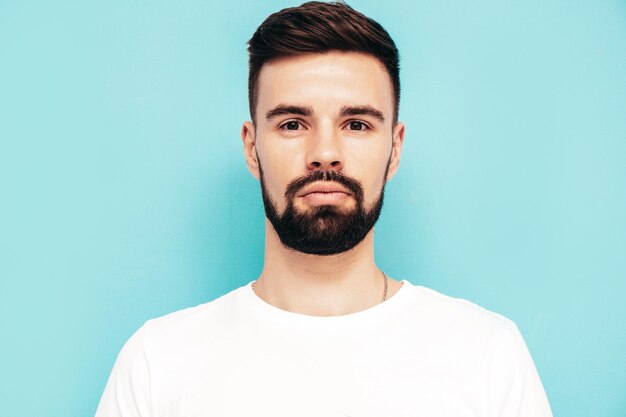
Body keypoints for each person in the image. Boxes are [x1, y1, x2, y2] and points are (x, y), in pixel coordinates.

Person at [95, 2, 553, 416]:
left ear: (395, 149)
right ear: (252, 149)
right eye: (293, 123)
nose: (325, 153)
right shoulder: (158, 363)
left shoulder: (487, 355)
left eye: (356, 124)